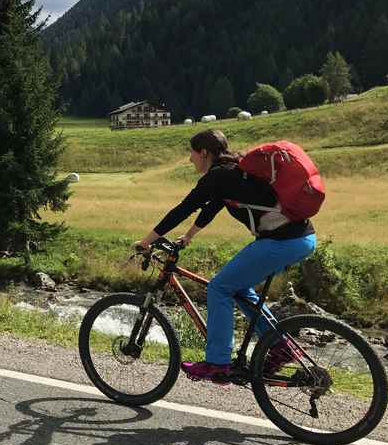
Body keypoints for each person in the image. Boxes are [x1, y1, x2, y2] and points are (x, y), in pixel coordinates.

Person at [135, 129, 317, 384]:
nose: (190, 159)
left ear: (205, 153)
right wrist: (189, 236)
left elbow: (185, 208)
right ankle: (279, 346)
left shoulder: (219, 175)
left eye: (192, 153)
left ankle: (217, 363)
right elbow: (212, 207)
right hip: (301, 238)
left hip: (281, 242)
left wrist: (145, 242)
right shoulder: (233, 172)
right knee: (240, 289)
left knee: (219, 287)